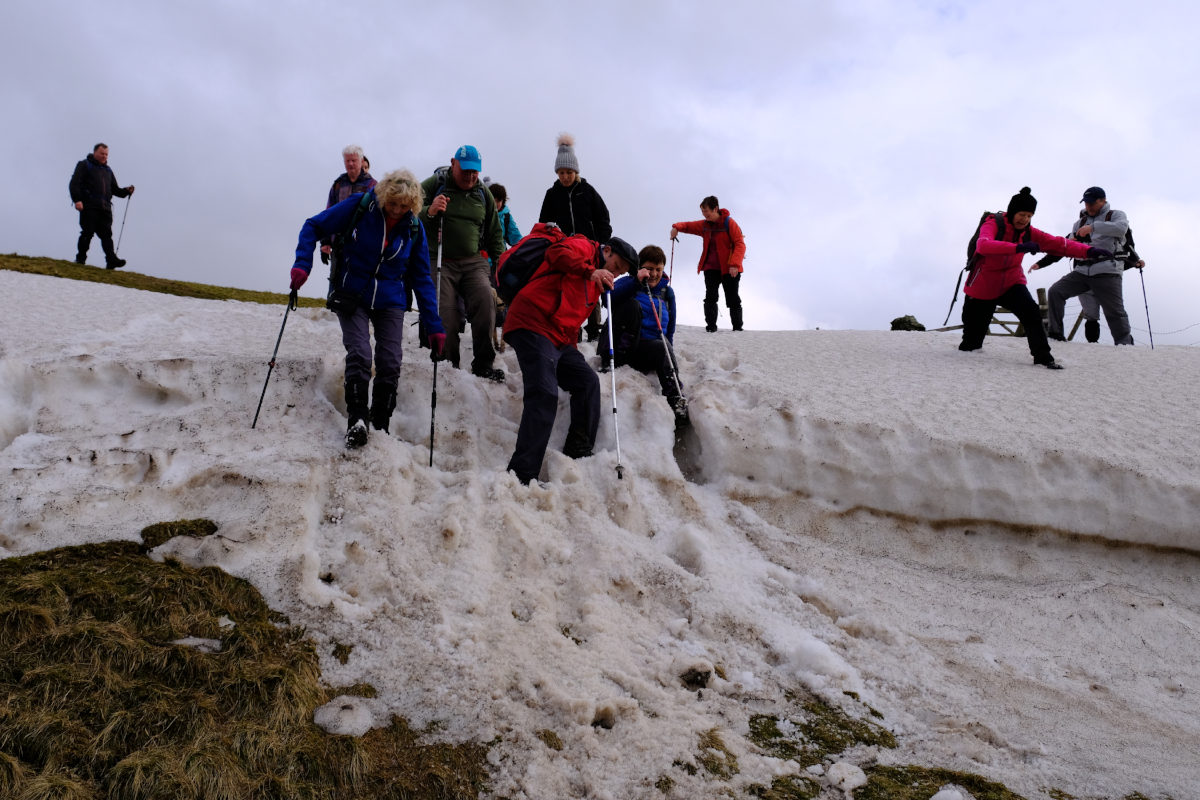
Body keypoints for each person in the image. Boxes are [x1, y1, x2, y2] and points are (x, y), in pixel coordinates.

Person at [290, 169, 445, 448]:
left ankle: (380, 423)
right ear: (383, 195)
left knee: (390, 361)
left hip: (391, 298)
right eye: (392, 203)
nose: (397, 210)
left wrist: (433, 324)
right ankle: (357, 420)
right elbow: (313, 226)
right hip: (352, 293)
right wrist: (303, 263)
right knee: (360, 354)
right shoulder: (361, 207)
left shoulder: (413, 227)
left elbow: (422, 277)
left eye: (404, 206)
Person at [503, 235, 637, 485]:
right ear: (607, 251)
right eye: (616, 266)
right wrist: (591, 271)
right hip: (532, 321)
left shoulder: (597, 282)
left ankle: (577, 454)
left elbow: (573, 318)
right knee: (544, 393)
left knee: (587, 382)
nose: (615, 274)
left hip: (560, 338)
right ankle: (521, 475)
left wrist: (570, 352)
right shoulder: (584, 247)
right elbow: (556, 254)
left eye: (621, 274)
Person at [958, 187, 1107, 369]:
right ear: (1012, 212)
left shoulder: (1029, 232)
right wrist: (1017, 248)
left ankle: (1043, 358)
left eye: (1029, 216)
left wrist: (1089, 251)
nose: (1025, 219)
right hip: (983, 285)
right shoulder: (993, 224)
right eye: (1022, 214)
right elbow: (983, 245)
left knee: (1032, 313)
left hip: (1011, 283)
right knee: (970, 346)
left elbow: (1060, 245)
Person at [420, 145, 506, 382]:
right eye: (466, 170)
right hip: (439, 259)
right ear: (453, 164)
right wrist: (430, 211)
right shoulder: (434, 184)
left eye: (475, 172)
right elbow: (407, 209)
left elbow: (494, 233)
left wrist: (501, 266)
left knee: (485, 302)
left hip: (473, 261)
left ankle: (483, 364)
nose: (470, 176)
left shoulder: (482, 193)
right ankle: (448, 365)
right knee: (444, 313)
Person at [1030, 187, 1136, 346]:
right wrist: (1041, 259)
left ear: (1103, 201)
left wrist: (1093, 227)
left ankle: (1125, 345)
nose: (1088, 206)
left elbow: (1122, 228)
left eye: (1092, 203)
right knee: (1055, 292)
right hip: (1081, 271)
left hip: (1107, 271)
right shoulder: (1079, 223)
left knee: (1115, 312)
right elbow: (1065, 246)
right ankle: (1055, 335)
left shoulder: (1116, 215)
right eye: (1086, 203)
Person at [539, 133, 612, 341]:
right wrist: (553, 240)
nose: (565, 176)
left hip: (590, 246)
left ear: (576, 171)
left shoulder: (587, 191)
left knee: (591, 284)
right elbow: (544, 222)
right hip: (565, 248)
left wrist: (601, 242)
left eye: (569, 172)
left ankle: (595, 328)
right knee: (568, 287)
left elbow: (603, 217)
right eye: (561, 172)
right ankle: (572, 328)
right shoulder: (552, 194)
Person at [607, 245, 689, 425]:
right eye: (649, 268)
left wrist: (669, 357)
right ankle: (675, 398)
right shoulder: (629, 283)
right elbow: (609, 299)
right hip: (625, 347)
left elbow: (670, 330)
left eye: (659, 269)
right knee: (661, 346)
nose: (654, 274)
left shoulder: (667, 293)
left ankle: (675, 397)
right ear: (640, 267)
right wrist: (636, 281)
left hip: (651, 350)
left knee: (663, 345)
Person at [670, 196, 746, 332]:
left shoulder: (729, 223)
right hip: (711, 267)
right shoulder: (705, 225)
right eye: (703, 212)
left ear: (715, 208)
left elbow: (740, 244)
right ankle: (711, 328)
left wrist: (734, 264)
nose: (705, 215)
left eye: (707, 212)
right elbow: (688, 226)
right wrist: (676, 227)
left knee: (732, 298)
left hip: (729, 268)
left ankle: (737, 328)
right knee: (710, 297)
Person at [69, 143, 135, 269]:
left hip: (105, 208)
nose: (104, 156)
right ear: (95, 152)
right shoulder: (84, 165)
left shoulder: (108, 170)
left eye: (106, 154)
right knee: (87, 233)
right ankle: (80, 259)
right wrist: (77, 200)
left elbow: (115, 190)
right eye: (102, 153)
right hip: (89, 205)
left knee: (106, 235)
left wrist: (126, 191)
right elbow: (74, 183)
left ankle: (111, 260)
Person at [320, 145, 377, 264]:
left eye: (354, 160)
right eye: (347, 161)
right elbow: (329, 212)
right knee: (337, 281)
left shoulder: (373, 185)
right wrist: (325, 241)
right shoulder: (338, 185)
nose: (350, 164)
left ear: (361, 162)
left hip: (363, 245)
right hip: (339, 245)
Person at [489, 183, 523, 248]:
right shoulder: (481, 214)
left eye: (498, 201)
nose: (495, 204)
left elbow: (516, 237)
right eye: (493, 200)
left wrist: (525, 246)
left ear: (503, 201)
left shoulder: (506, 217)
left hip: (500, 254)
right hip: (482, 255)